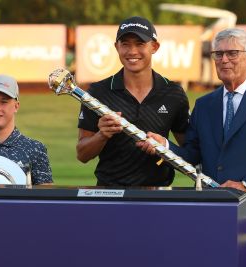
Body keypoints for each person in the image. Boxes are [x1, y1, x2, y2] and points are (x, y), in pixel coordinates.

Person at [137, 28, 246, 218]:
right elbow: (192, 154)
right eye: (218, 54)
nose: (224, 59)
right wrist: (164, 146)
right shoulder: (204, 105)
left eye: (232, 53)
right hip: (211, 210)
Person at [76, 16, 190, 187]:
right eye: (125, 44)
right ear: (117, 47)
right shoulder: (99, 92)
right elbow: (82, 154)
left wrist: (165, 146)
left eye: (140, 43)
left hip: (158, 196)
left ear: (154, 47)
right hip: (110, 195)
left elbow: (190, 153)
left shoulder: (173, 93)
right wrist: (102, 135)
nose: (132, 51)